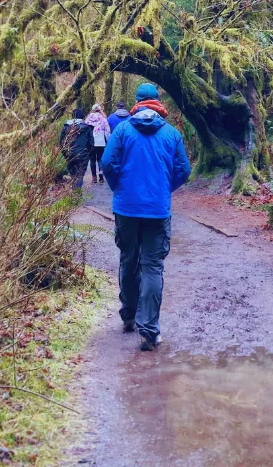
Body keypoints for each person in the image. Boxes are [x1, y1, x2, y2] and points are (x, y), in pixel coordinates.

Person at [101, 83, 191, 351]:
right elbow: (184, 170)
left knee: (128, 261)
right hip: (157, 210)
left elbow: (107, 163)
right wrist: (164, 188)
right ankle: (149, 332)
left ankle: (129, 317)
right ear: (157, 102)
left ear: (137, 102)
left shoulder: (123, 130)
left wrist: (119, 186)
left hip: (126, 209)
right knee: (152, 266)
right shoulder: (172, 134)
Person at [59, 108, 93, 189]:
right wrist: (88, 154)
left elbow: (61, 142)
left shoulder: (65, 127)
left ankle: (74, 193)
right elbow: (91, 143)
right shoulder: (87, 128)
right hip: (82, 155)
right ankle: (76, 194)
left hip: (69, 154)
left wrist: (65, 154)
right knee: (79, 175)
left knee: (73, 175)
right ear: (83, 116)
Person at [84, 103, 111, 184]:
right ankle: (101, 176)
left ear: (92, 110)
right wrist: (108, 141)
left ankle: (94, 178)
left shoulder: (87, 120)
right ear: (100, 110)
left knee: (92, 160)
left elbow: (85, 130)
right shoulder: (103, 119)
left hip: (91, 142)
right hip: (100, 142)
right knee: (100, 159)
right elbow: (107, 131)